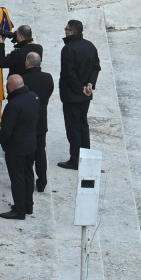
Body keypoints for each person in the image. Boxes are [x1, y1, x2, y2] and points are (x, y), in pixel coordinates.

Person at [58, 19, 101, 169]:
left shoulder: (68, 49)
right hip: (85, 94)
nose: (65, 30)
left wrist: (80, 88)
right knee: (83, 125)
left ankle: (75, 159)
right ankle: (86, 158)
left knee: (73, 127)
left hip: (72, 94)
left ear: (72, 32)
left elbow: (68, 73)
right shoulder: (90, 46)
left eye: (66, 28)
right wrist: (90, 84)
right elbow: (96, 67)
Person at [0, 74, 39, 219]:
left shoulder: (14, 105)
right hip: (30, 144)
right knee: (28, 174)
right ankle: (28, 205)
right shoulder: (34, 97)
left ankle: (19, 209)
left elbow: (7, 129)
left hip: (16, 148)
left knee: (17, 178)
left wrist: (2, 141)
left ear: (11, 87)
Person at [16, 52, 53, 192]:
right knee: (40, 151)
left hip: (27, 122)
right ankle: (42, 181)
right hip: (42, 119)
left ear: (28, 63)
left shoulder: (23, 79)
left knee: (27, 154)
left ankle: (28, 182)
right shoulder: (48, 78)